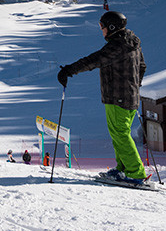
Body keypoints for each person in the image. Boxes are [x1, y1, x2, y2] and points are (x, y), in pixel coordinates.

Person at [58, 10, 148, 183]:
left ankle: (135, 172)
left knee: (120, 134)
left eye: (102, 26)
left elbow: (94, 60)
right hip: (129, 96)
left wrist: (69, 70)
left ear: (112, 27)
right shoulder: (132, 43)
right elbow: (142, 66)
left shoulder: (117, 45)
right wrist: (134, 87)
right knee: (119, 133)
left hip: (117, 97)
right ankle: (123, 168)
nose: (102, 30)